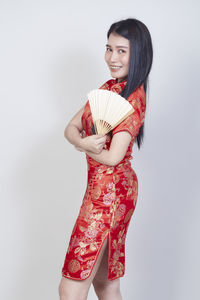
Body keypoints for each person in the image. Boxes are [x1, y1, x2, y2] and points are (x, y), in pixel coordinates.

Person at [58, 18, 153, 300]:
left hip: (110, 196)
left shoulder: (133, 98)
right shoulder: (109, 87)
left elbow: (113, 157)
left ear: (139, 54)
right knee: (105, 284)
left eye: (122, 50)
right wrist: (82, 142)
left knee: (71, 286)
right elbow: (70, 128)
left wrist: (83, 147)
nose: (112, 57)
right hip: (104, 190)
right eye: (109, 48)